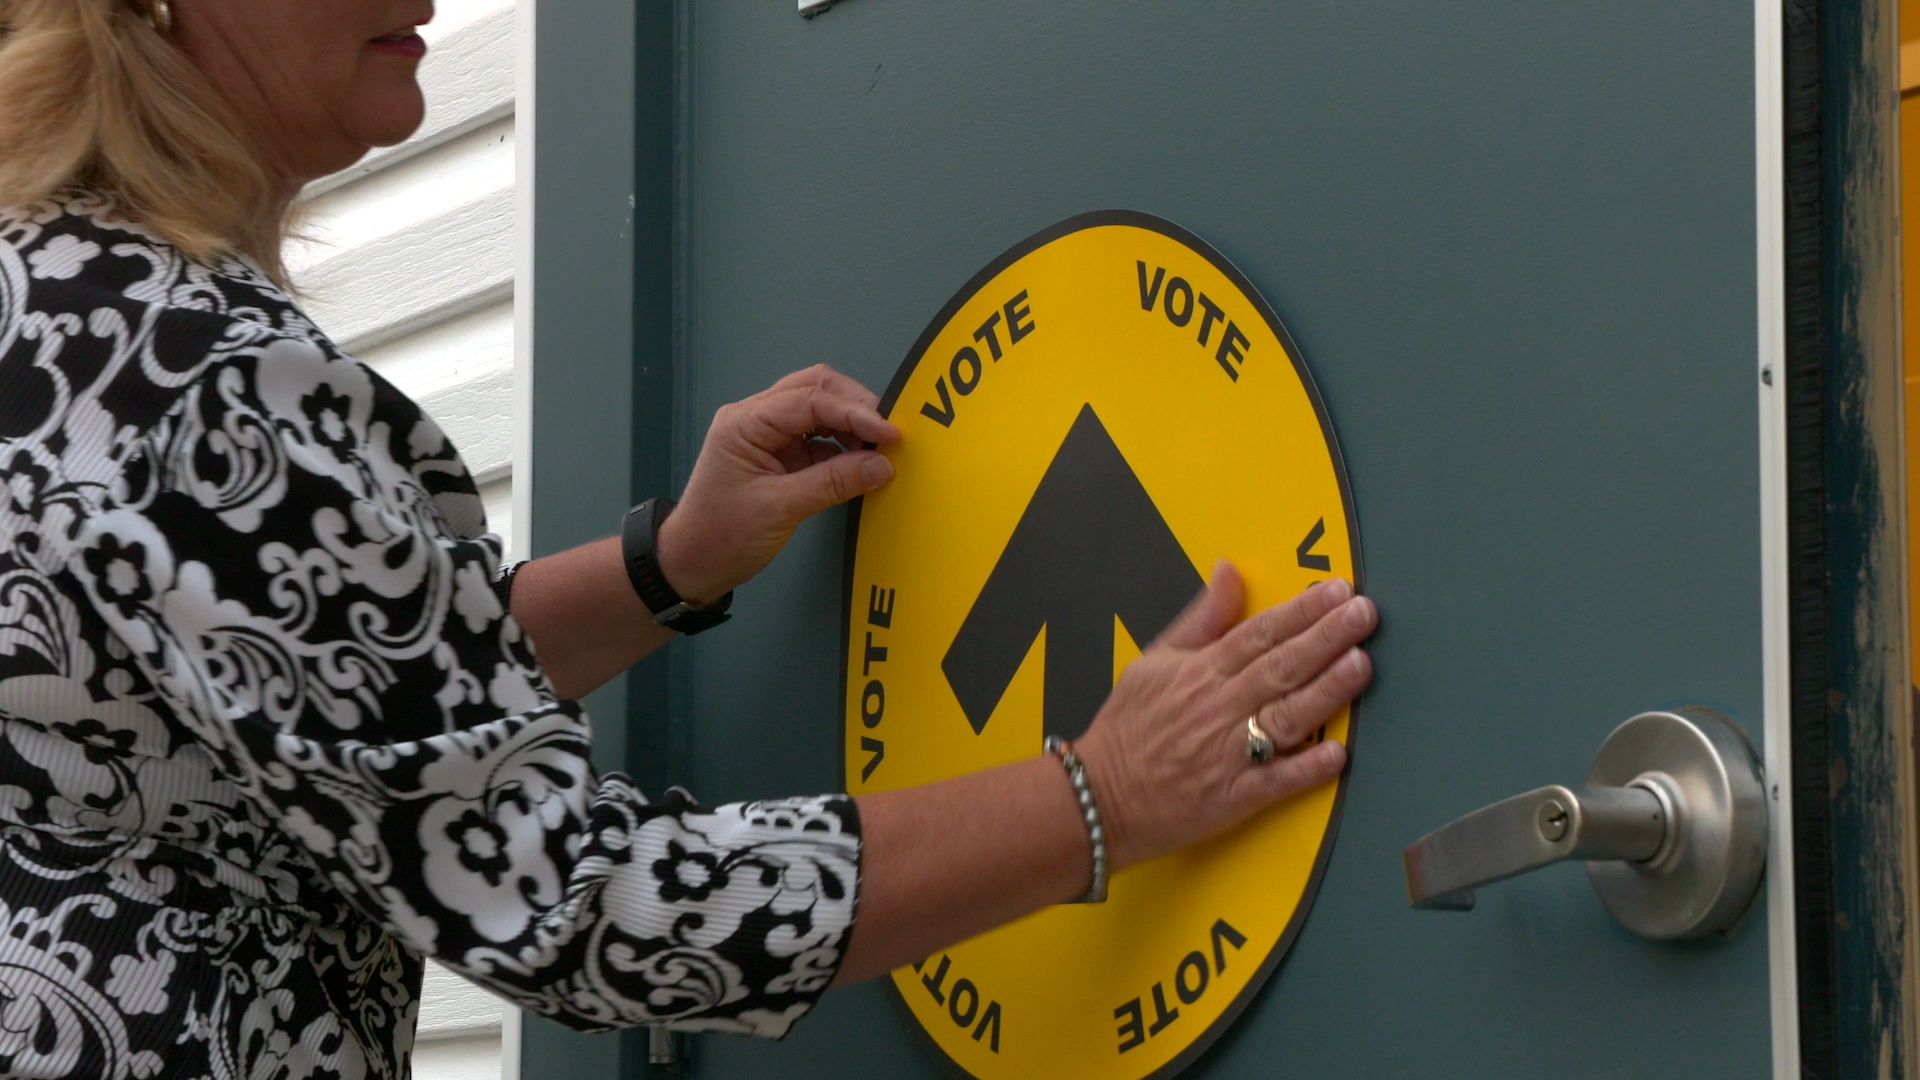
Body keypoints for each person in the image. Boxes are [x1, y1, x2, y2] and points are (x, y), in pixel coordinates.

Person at [0, 1, 1379, 1077]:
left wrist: (669, 568)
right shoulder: (187, 367)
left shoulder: (51, 311)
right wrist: (1105, 794)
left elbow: (295, 701)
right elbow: (576, 901)